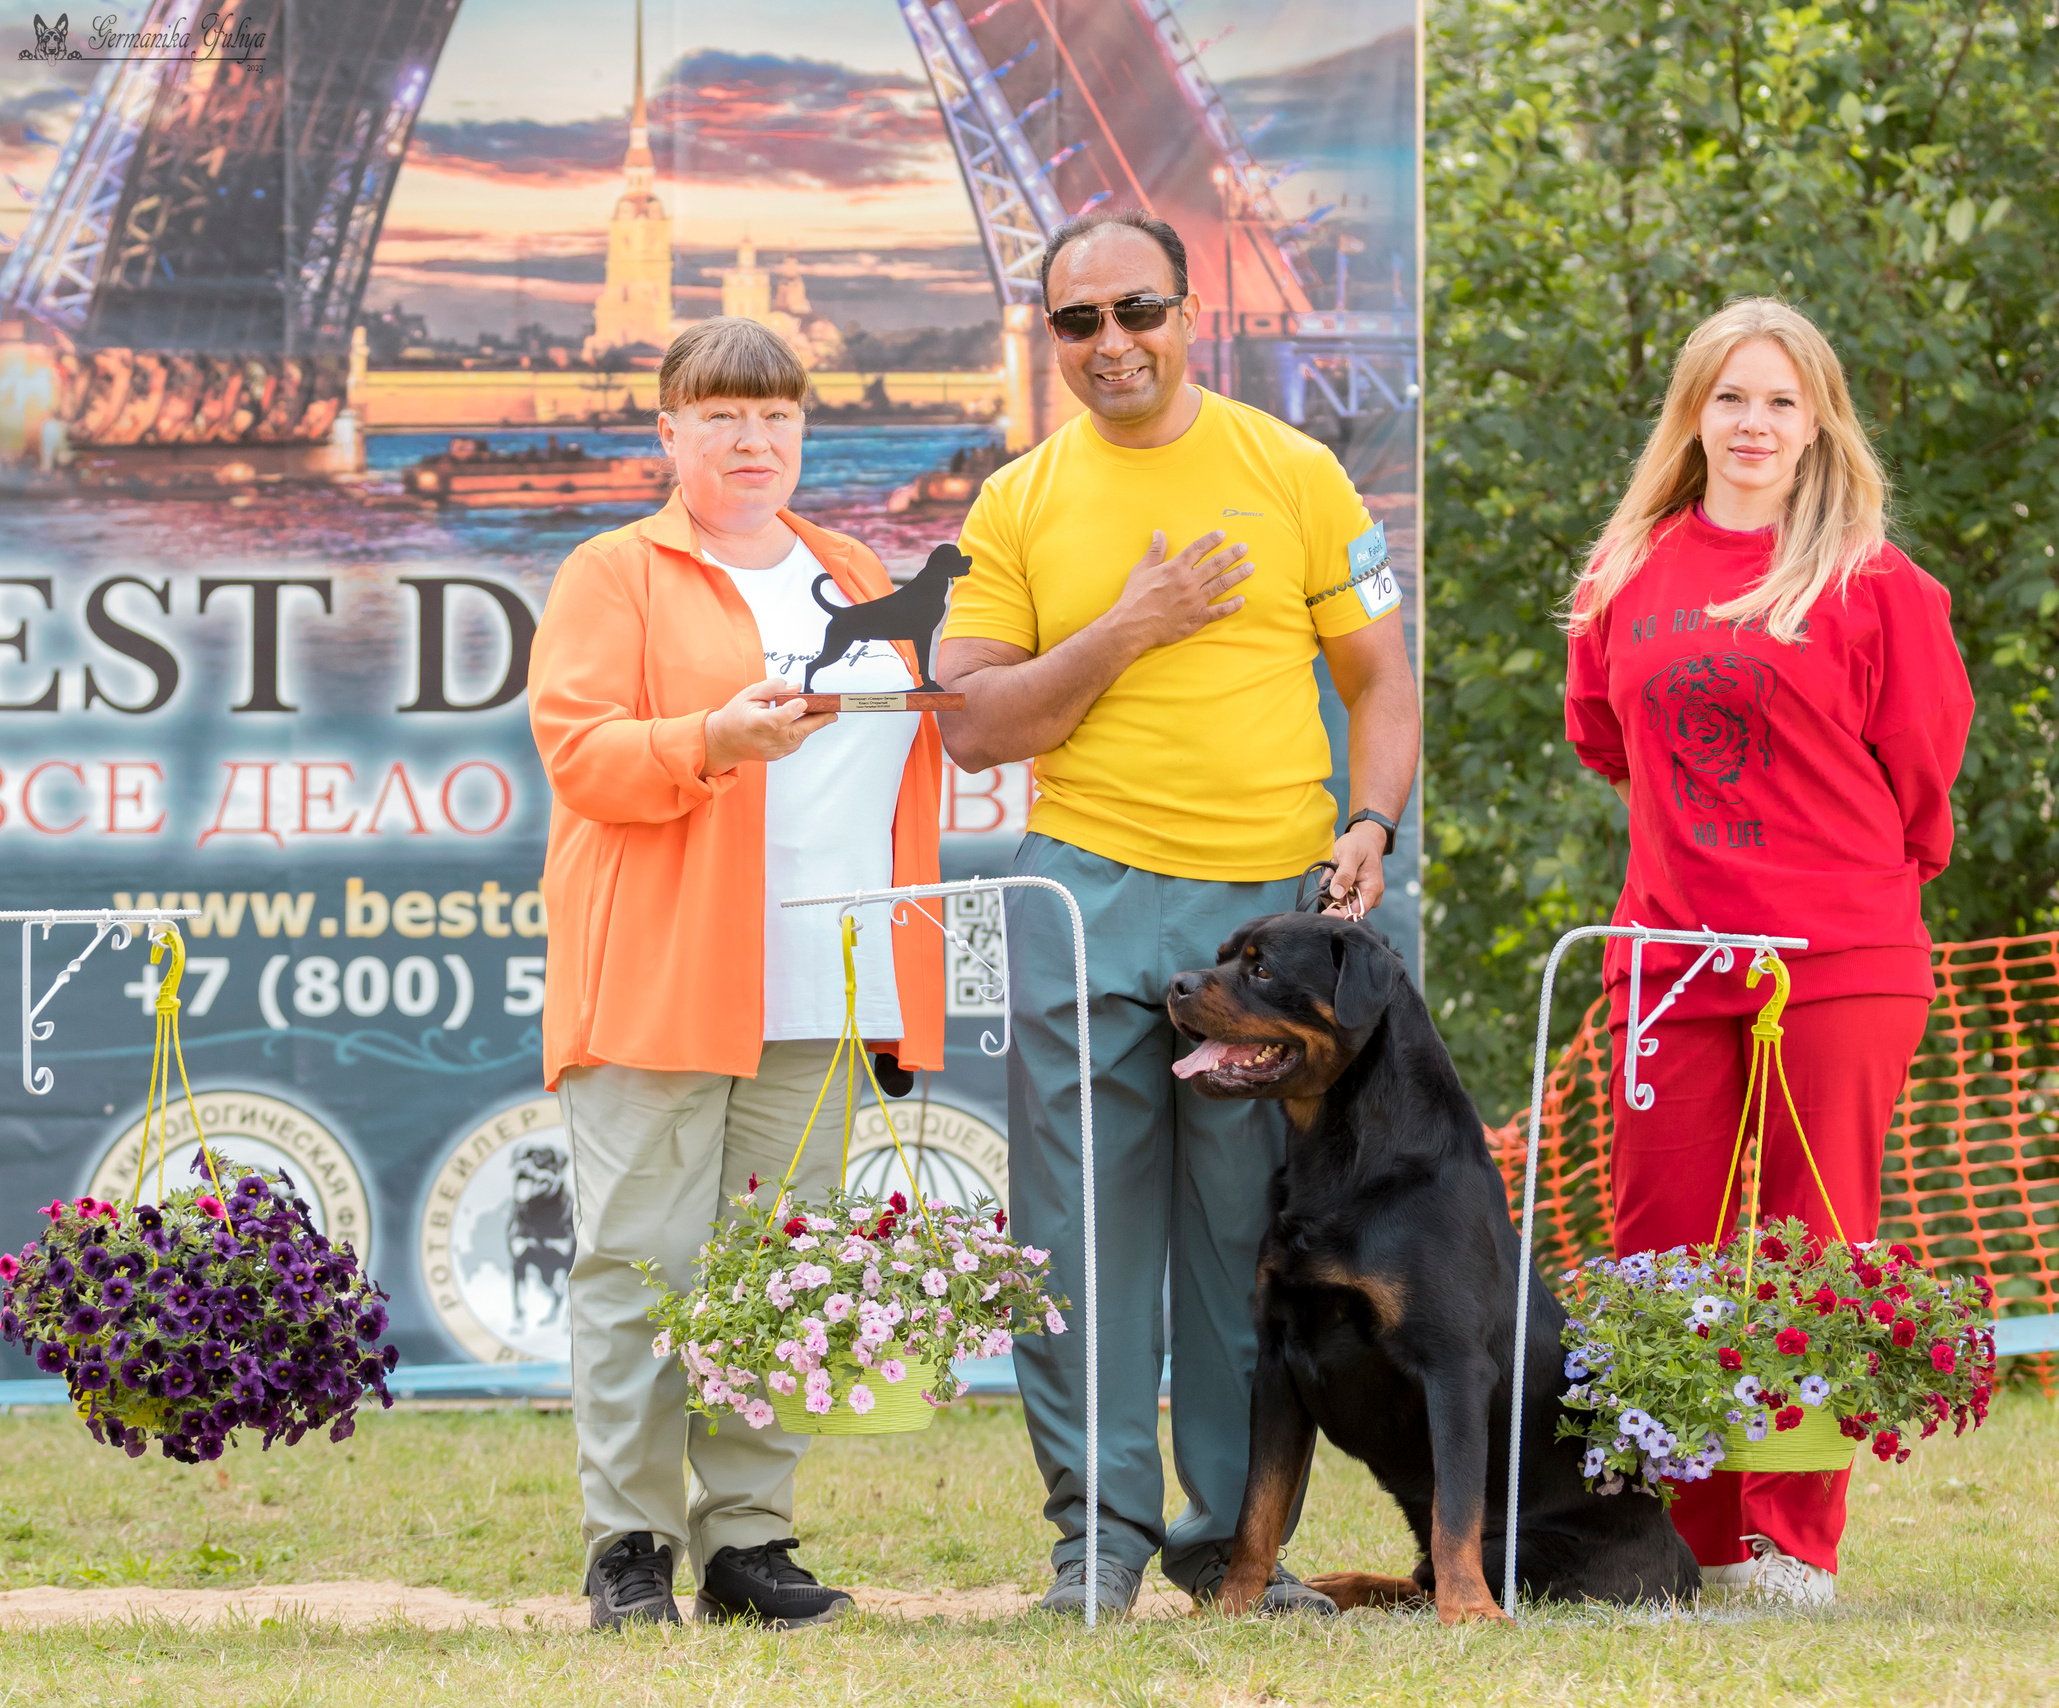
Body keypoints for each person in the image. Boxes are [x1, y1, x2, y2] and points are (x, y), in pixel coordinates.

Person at [938, 208, 1420, 1617]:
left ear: (1189, 311)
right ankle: (1096, 1545)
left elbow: (1380, 685)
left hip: (1264, 938)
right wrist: (1129, 625)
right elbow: (969, 725)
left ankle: (1230, 1550)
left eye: (1135, 311)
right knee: (1077, 1244)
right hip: (1081, 902)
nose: (1111, 344)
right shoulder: (1018, 500)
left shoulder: (1297, 471)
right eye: (1077, 322)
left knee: (1241, 1254)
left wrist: (1370, 824)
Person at [528, 317, 948, 1631]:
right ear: (669, 434)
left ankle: (749, 1540)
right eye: (719, 414)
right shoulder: (617, 571)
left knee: (780, 1272)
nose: (752, 437)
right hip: (665, 972)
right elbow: (579, 753)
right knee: (641, 1268)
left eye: (774, 413)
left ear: (804, 430)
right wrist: (711, 734)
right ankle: (631, 1544)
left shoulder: (854, 566)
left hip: (827, 981)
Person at [1563, 297, 1973, 1606]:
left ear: (1818, 426)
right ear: (1692, 414)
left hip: (1838, 960)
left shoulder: (1878, 585)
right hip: (1668, 965)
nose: (1754, 423)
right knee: (1661, 1252)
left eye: (1781, 401)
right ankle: (1668, 1541)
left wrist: (1826, 874)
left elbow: (1924, 773)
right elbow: (1605, 741)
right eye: (1731, 397)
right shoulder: (1625, 572)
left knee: (1812, 1246)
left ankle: (1784, 1544)